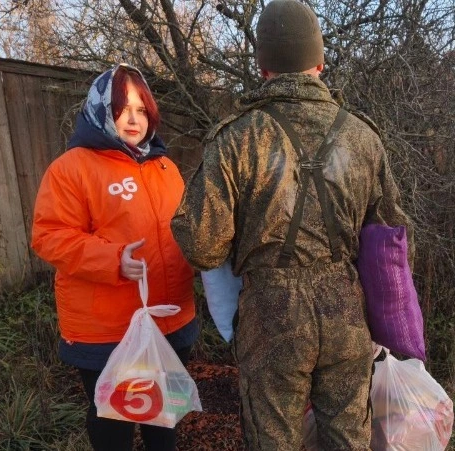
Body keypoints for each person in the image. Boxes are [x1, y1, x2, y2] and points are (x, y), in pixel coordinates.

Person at [171, 0, 413, 448]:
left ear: (262, 67)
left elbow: (202, 246)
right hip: (347, 312)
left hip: (271, 318)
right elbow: (392, 239)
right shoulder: (363, 136)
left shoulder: (236, 137)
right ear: (319, 62)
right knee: (348, 440)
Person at [31, 64, 197, 451]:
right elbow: (49, 235)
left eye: (141, 109)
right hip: (108, 330)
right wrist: (112, 260)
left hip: (171, 318)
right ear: (102, 110)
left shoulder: (166, 167)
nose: (134, 119)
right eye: (123, 109)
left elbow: (185, 229)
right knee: (113, 424)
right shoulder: (72, 169)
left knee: (163, 418)